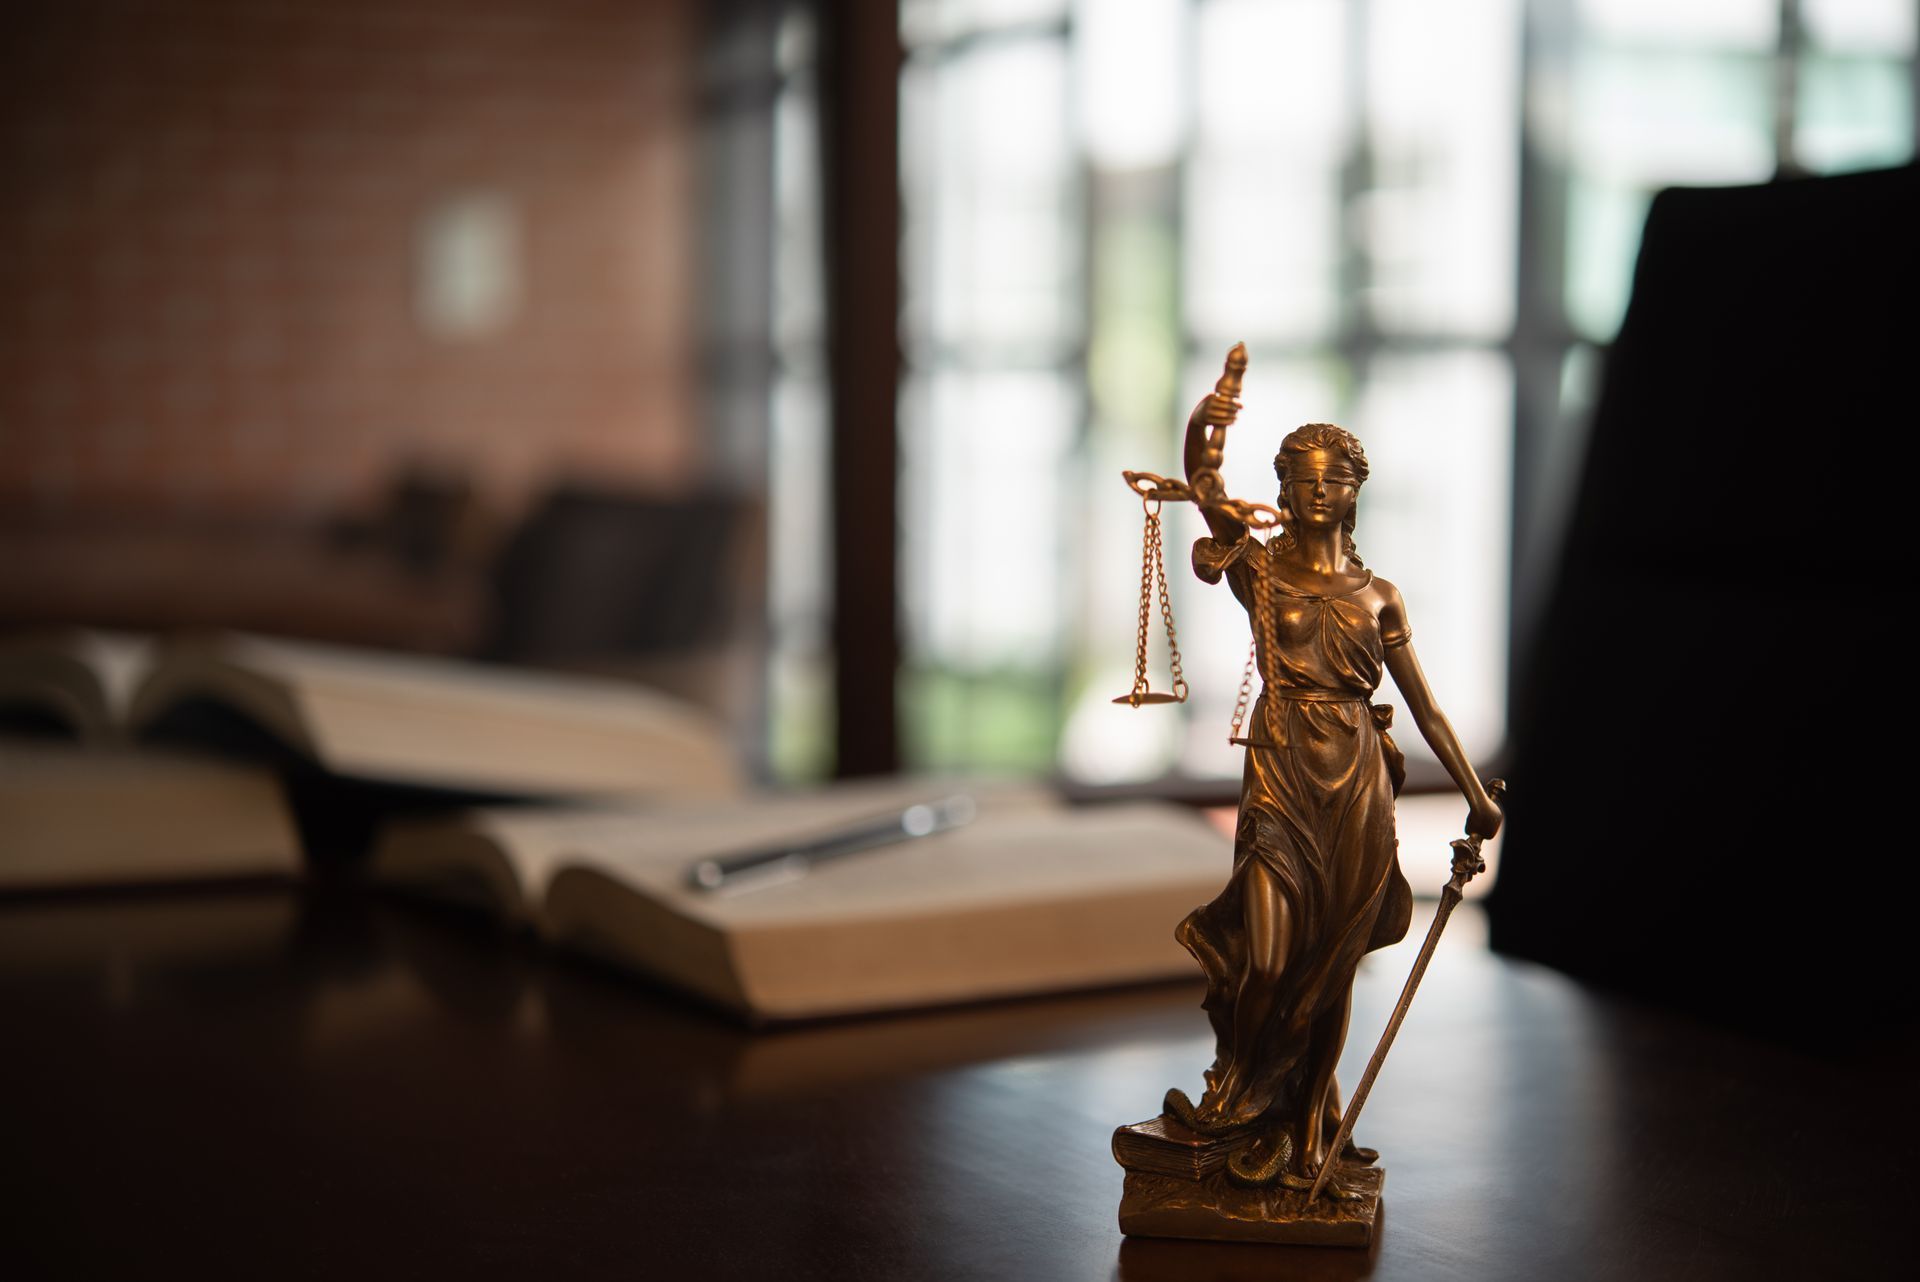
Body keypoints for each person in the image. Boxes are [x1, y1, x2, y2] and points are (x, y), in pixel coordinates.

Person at [1163, 382, 1503, 1189]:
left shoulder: (1380, 596)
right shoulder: (1262, 573)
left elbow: (1426, 709)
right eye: (1305, 478)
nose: (1319, 491)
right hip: (1281, 774)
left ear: (1355, 492)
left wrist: (1476, 795)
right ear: (1283, 490)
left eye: (1334, 479)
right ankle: (1238, 1093)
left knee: (1334, 961)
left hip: (1356, 784)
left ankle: (1312, 1121)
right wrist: (1202, 437)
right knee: (1272, 961)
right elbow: (1206, 496)